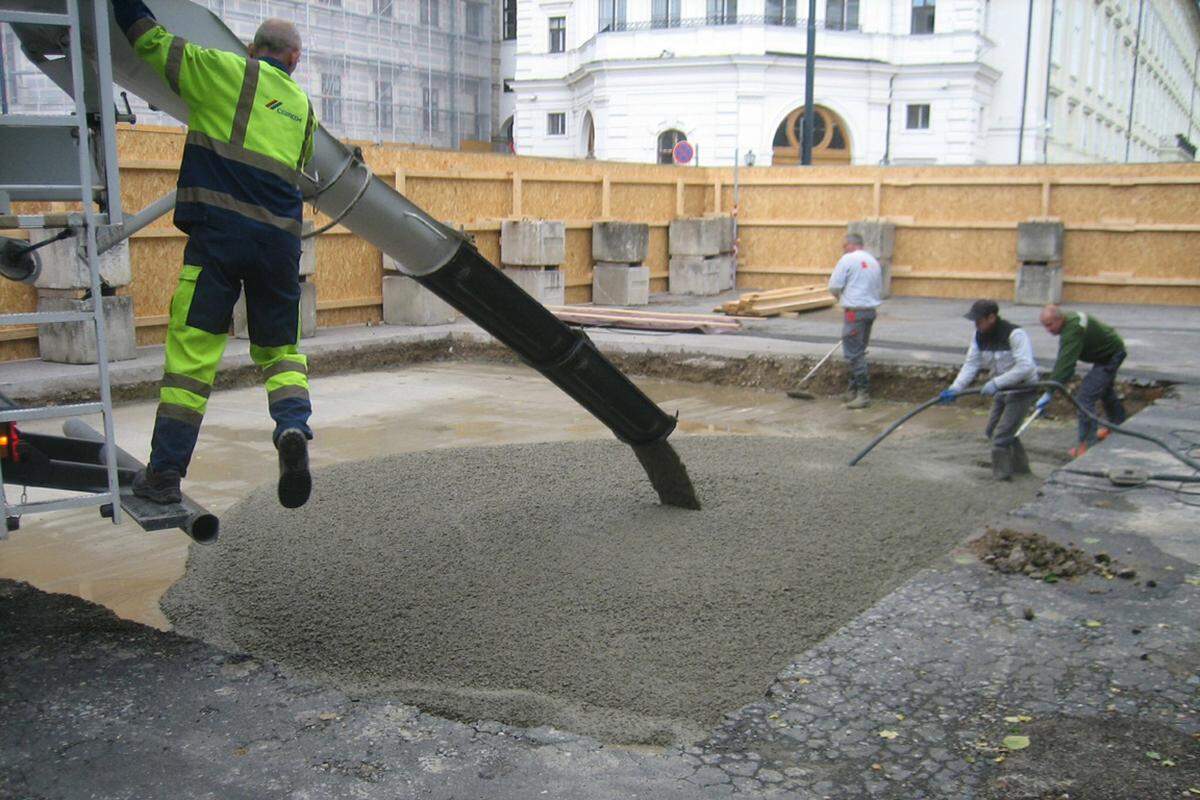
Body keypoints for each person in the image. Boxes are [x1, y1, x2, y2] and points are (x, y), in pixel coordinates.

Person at [113, 1, 316, 508]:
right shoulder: (304, 109)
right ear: (295, 60)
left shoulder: (221, 71)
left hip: (219, 242)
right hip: (278, 249)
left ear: (252, 50)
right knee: (281, 352)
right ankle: (291, 428)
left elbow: (150, 41)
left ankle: (163, 476)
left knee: (192, 359)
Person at [938, 300, 1038, 481]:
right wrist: (955, 388)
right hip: (1001, 389)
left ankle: (1002, 477)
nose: (976, 325)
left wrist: (996, 383)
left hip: (1022, 388)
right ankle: (1021, 468)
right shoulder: (979, 336)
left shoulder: (1015, 334)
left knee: (1001, 437)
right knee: (993, 431)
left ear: (991, 317)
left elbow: (1026, 366)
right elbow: (971, 364)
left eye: (979, 321)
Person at [1036, 304, 1127, 458]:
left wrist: (1050, 390)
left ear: (1059, 319)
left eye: (1050, 325)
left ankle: (1087, 444)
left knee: (1085, 397)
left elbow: (1066, 363)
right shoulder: (1069, 322)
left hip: (1110, 356)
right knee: (1105, 391)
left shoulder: (1073, 330)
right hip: (1107, 353)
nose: (1048, 330)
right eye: (1045, 326)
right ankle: (1117, 425)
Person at [827, 233, 883, 409]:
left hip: (854, 313)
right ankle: (852, 391)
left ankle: (862, 394)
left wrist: (838, 297)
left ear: (850, 245)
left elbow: (834, 285)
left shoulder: (848, 259)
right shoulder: (873, 261)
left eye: (844, 246)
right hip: (869, 312)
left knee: (853, 353)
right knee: (859, 350)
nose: (843, 249)